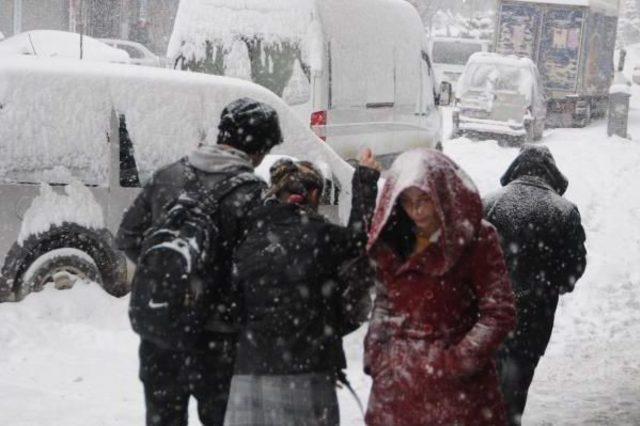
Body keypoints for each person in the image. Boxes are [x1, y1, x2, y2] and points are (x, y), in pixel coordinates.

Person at [116, 98, 283, 426]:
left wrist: (173, 277)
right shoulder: (254, 195)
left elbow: (128, 235)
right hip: (219, 343)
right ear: (259, 149)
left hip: (162, 330)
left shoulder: (169, 175)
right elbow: (259, 275)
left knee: (163, 419)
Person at [364, 148, 516, 426]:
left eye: (424, 199)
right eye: (407, 202)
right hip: (396, 389)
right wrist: (376, 356)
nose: (416, 211)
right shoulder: (395, 239)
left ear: (443, 194)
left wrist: (455, 363)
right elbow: (384, 304)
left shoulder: (476, 239)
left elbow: (499, 312)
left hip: (457, 395)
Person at [224, 156, 380, 426]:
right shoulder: (321, 235)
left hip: (247, 371)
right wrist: (365, 180)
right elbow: (359, 240)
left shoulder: (246, 234)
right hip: (307, 371)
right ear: (315, 193)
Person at [484, 145, 587, 426]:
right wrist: (549, 286)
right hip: (534, 320)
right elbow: (575, 267)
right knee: (515, 391)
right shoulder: (564, 211)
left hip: (490, 316)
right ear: (551, 173)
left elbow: (471, 259)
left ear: (516, 168)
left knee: (486, 388)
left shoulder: (490, 203)